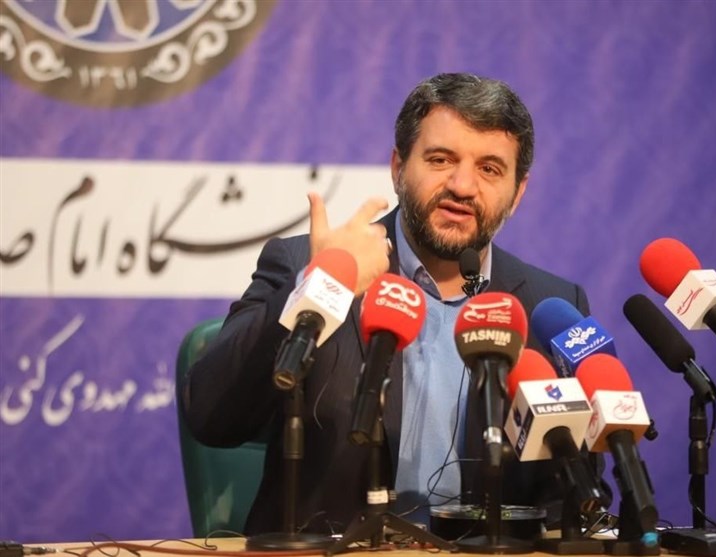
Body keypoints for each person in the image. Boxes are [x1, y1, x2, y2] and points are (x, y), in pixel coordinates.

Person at [181, 72, 605, 536]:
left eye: (489, 169)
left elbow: (570, 495)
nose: (463, 186)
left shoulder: (550, 306)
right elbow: (212, 416)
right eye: (441, 159)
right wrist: (319, 283)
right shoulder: (310, 266)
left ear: (518, 193)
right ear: (398, 168)